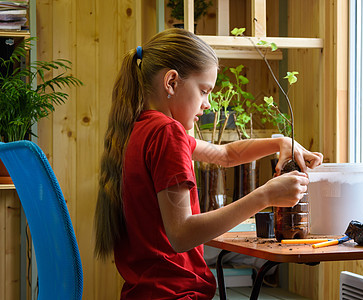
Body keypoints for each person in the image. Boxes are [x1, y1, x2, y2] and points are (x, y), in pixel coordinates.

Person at [94, 28, 323, 300]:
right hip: (177, 294)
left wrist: (279, 142)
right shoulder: (168, 133)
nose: (208, 105)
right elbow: (181, 234)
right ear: (171, 82)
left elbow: (224, 155)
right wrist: (266, 195)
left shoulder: (140, 129)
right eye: (204, 91)